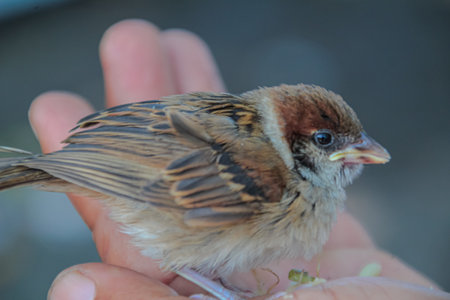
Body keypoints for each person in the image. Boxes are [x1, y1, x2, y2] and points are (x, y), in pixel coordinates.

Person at [28, 19, 447, 300]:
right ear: (293, 143)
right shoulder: (270, 174)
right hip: (136, 179)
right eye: (324, 140)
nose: (358, 151)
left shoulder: (259, 142)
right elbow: (162, 181)